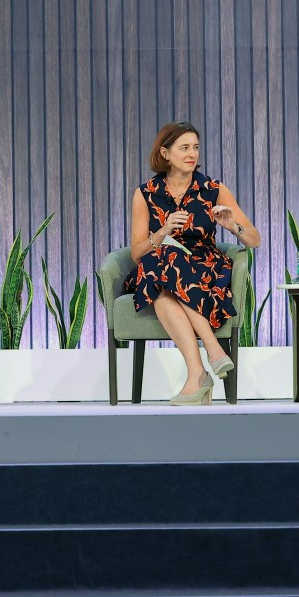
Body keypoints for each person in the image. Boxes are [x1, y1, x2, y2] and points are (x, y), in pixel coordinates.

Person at [124, 121, 261, 405]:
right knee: (160, 263)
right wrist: (161, 232)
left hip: (205, 268)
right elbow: (137, 252)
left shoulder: (213, 189)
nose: (192, 154)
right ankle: (210, 356)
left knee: (161, 273)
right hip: (159, 268)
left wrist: (230, 224)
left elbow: (253, 239)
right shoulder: (145, 193)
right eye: (184, 148)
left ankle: (199, 373)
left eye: (195, 148)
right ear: (165, 153)